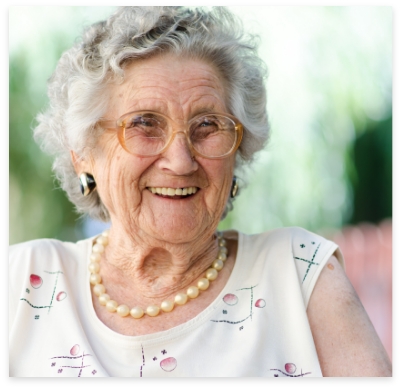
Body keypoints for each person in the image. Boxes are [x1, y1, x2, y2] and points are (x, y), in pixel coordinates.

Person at [9, 6, 391, 377]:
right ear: (83, 155)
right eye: (145, 123)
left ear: (239, 149)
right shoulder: (19, 281)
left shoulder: (299, 274)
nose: (180, 161)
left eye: (207, 125)